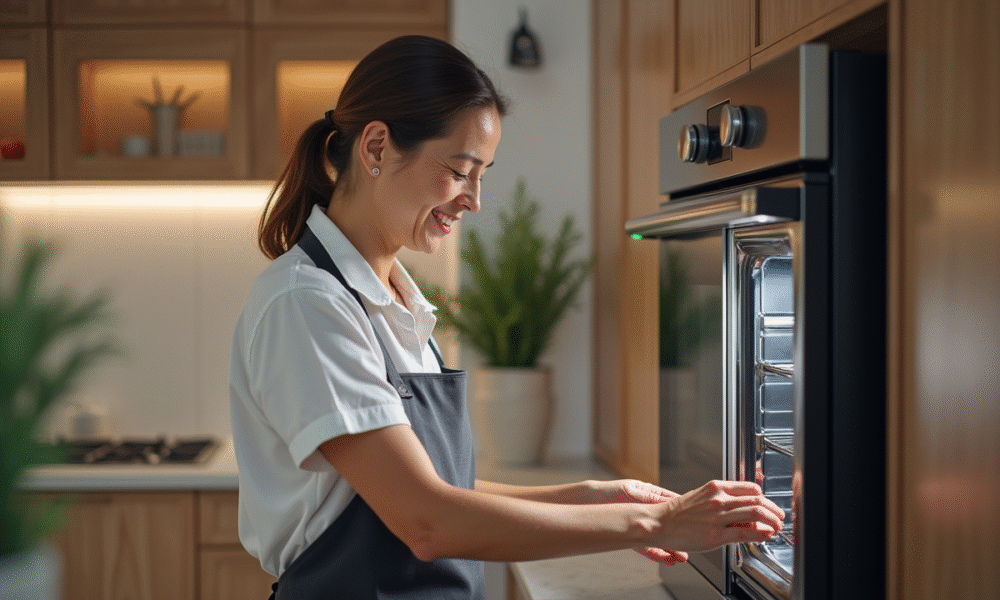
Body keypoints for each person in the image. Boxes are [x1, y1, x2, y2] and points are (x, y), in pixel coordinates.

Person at [228, 35, 784, 600]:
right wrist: (654, 526)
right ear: (376, 147)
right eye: (460, 170)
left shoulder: (389, 298)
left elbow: (443, 488)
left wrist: (594, 495)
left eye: (482, 175)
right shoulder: (307, 304)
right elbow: (427, 521)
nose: (473, 200)